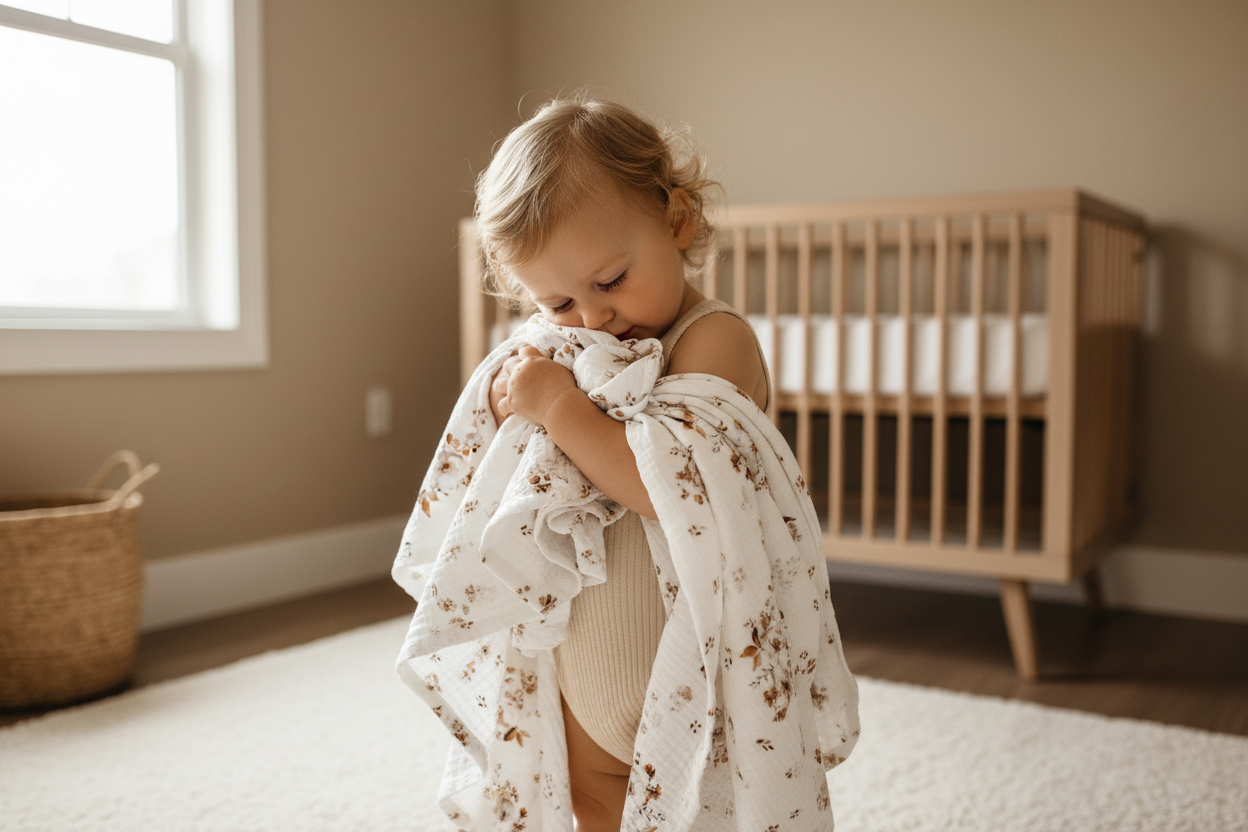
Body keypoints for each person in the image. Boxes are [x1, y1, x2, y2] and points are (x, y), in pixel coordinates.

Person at [393, 96, 858, 832]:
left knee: (702, 810)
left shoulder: (715, 342)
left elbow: (665, 484)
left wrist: (559, 408)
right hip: (583, 667)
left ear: (677, 222)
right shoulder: (564, 347)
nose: (594, 318)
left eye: (609, 281)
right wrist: (500, 393)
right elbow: (497, 459)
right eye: (558, 302)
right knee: (588, 799)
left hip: (685, 675)